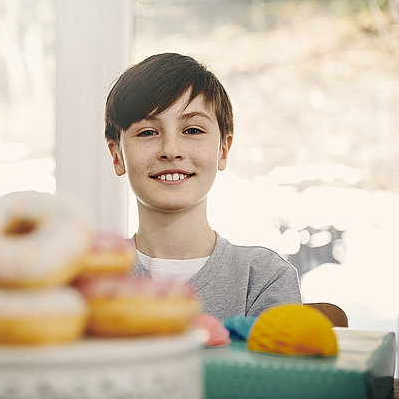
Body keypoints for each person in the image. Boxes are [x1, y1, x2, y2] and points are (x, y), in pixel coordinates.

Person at [104, 53, 302, 320]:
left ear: (223, 150)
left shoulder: (263, 278)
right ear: (117, 155)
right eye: (148, 132)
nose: (170, 151)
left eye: (193, 130)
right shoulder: (92, 279)